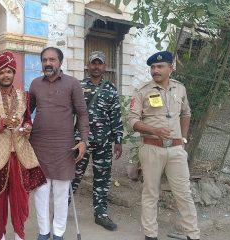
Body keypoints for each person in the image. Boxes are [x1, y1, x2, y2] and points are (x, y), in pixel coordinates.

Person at [127, 51, 200, 240]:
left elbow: (186, 113)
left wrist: (183, 140)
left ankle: (193, 234)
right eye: (152, 67)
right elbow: (132, 120)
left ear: (171, 68)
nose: (155, 70)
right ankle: (150, 235)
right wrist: (153, 130)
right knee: (150, 193)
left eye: (160, 67)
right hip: (151, 148)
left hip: (176, 150)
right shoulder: (142, 91)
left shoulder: (180, 89)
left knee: (184, 193)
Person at [0, 51, 46, 240]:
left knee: (20, 197)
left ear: (13, 73)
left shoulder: (24, 96)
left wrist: (27, 128)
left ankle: (19, 234)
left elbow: (27, 120)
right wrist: (1, 123)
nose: (6, 75)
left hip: (20, 154)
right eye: (1, 72)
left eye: (9, 71)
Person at [29, 47, 90, 240]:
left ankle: (58, 233)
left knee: (62, 192)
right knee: (41, 190)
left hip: (65, 145)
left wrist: (83, 140)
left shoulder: (72, 84)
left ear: (60, 62)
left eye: (52, 60)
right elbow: (26, 112)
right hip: (39, 144)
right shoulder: (35, 84)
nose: (48, 63)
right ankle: (43, 231)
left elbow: (82, 114)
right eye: (45, 60)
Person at [71, 51, 124, 231]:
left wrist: (118, 139)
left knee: (102, 178)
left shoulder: (110, 88)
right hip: (81, 141)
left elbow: (116, 115)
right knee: (73, 176)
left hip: (103, 142)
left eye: (99, 64)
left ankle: (100, 214)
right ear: (88, 65)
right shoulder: (78, 86)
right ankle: (61, 210)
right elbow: (69, 113)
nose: (96, 66)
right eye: (93, 63)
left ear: (104, 67)